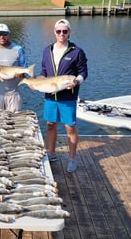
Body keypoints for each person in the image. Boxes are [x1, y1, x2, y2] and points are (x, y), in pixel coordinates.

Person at [40, 19, 88, 172]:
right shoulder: (47, 50)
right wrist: (39, 80)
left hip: (68, 97)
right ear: (54, 32)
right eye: (59, 31)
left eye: (65, 31)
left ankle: (72, 158)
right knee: (50, 125)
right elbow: (44, 71)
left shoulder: (76, 51)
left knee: (70, 127)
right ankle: (51, 153)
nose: (61, 34)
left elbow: (83, 72)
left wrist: (77, 81)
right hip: (50, 96)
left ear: (69, 33)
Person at [0, 23, 28, 112]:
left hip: (14, 94)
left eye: (4, 34)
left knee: (13, 123)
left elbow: (24, 68)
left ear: (9, 34)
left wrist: (21, 74)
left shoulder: (18, 49)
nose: (1, 37)